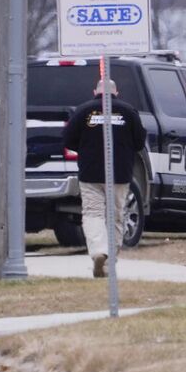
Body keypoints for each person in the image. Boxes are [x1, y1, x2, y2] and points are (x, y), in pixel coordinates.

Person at [61, 79, 144, 278]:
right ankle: (111, 259)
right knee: (116, 215)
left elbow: (68, 139)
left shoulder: (83, 111)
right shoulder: (129, 111)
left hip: (91, 173)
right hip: (120, 173)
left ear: (95, 92)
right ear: (116, 92)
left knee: (93, 213)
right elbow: (139, 142)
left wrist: (85, 147)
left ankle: (99, 251)